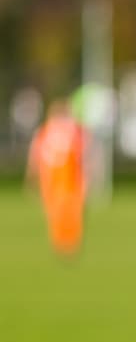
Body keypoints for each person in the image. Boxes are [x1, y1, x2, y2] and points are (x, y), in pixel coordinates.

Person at [26, 100, 87, 257]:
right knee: (56, 212)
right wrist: (32, 177)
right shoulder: (45, 132)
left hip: (68, 179)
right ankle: (61, 241)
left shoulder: (73, 132)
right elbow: (36, 155)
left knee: (69, 211)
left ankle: (69, 241)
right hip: (52, 179)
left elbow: (81, 156)